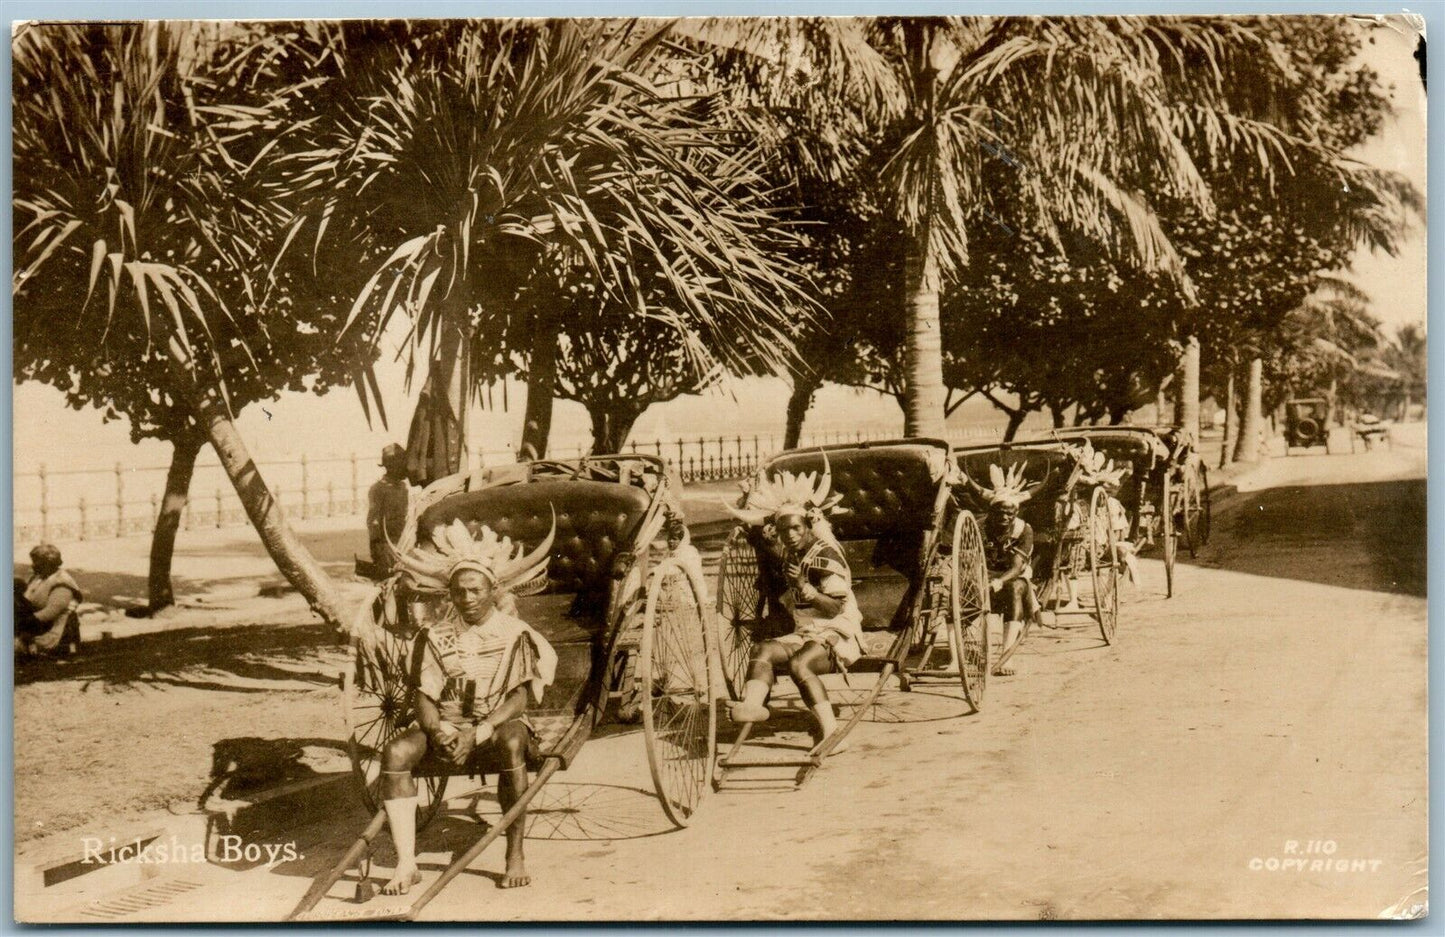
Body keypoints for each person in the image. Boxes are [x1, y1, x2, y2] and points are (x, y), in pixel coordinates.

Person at [377, 520, 557, 894]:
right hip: (446, 723)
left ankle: (515, 853)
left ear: (493, 590)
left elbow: (519, 697)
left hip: (496, 724)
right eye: (459, 593)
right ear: (450, 595)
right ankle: (407, 864)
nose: (468, 599)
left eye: (476, 591)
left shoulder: (514, 634)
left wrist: (479, 732)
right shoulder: (434, 636)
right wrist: (440, 732)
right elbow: (423, 697)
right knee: (395, 751)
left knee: (511, 744)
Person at [726, 465, 863, 753]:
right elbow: (770, 549)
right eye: (784, 529)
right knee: (762, 650)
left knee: (799, 664)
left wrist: (804, 589)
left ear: (808, 526)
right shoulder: (793, 551)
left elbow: (834, 608)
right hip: (805, 632)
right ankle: (752, 706)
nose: (789, 534)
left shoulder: (825, 555)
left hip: (836, 632)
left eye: (796, 528)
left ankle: (832, 732)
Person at [970, 464, 1040, 678]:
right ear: (991, 511)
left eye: (1009, 513)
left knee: (1015, 588)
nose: (1004, 517)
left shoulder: (1023, 530)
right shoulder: (978, 527)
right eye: (999, 512)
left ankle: (1007, 655)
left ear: (1016, 512)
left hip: (1009, 577)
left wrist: (998, 582)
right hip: (982, 575)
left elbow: (1017, 567)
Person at [15, 543, 82, 658]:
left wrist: (22, 622)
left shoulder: (62, 581)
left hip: (52, 629)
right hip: (34, 623)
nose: (33, 566)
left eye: (37, 562)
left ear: (48, 563)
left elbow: (51, 612)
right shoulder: (39, 577)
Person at [366, 444, 412, 575]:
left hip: (403, 542)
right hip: (386, 545)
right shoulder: (379, 489)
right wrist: (378, 549)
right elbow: (373, 522)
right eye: (401, 464)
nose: (405, 468)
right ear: (390, 466)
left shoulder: (403, 487)